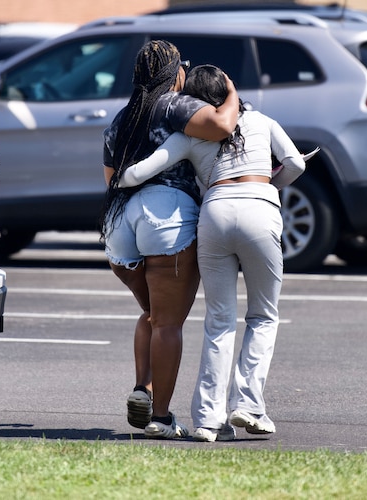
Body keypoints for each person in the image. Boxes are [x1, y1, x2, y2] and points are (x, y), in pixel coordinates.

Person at [118, 64, 306, 442]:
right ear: (229, 90)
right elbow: (297, 164)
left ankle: (207, 420)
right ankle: (248, 406)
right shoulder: (263, 121)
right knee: (263, 316)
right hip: (259, 208)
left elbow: (136, 173)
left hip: (214, 214)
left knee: (219, 321)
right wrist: (270, 185)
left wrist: (116, 182)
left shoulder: (191, 135)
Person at [102, 42, 239, 439]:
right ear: (173, 73)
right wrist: (230, 94)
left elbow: (110, 182)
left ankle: (143, 387)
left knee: (152, 314)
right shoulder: (174, 105)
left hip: (119, 225)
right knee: (168, 324)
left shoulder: (121, 118)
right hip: (167, 216)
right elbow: (222, 125)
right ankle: (160, 419)